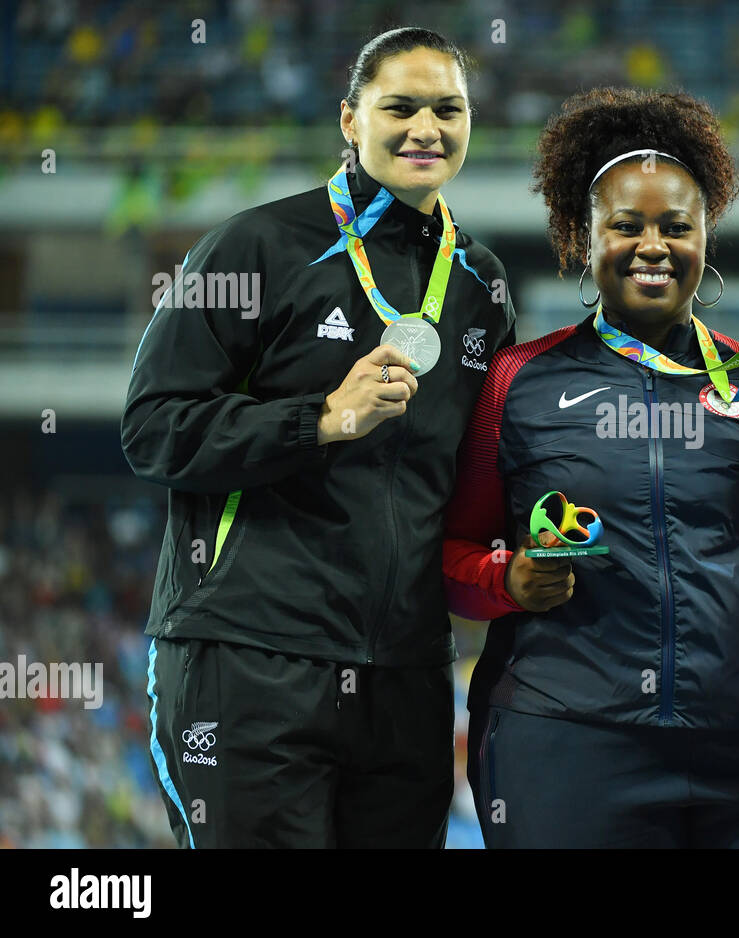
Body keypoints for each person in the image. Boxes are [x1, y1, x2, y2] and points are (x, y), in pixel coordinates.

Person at [121, 27, 516, 848]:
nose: (426, 129)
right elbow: (154, 427)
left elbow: (479, 475)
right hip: (249, 657)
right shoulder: (256, 247)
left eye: (448, 109)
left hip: (404, 674)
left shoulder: (481, 285)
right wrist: (322, 418)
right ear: (349, 118)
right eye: (399, 107)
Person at [441, 87, 739, 848]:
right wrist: (508, 580)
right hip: (567, 743)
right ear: (582, 233)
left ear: (706, 235)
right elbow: (450, 562)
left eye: (677, 225)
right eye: (625, 226)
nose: (653, 245)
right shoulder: (517, 382)